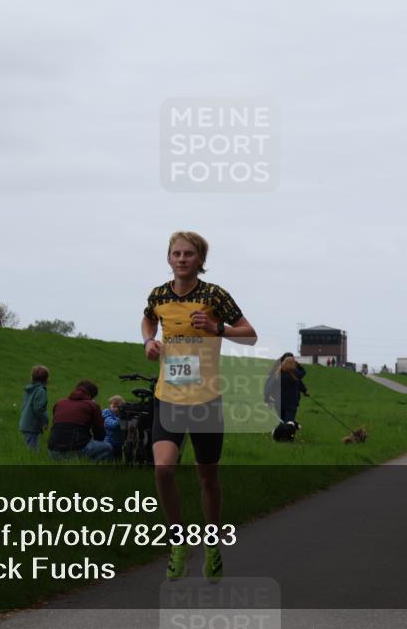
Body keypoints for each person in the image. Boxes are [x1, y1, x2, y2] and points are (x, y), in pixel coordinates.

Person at [141, 231, 257, 582]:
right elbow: (148, 317)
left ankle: (212, 545)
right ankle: (178, 543)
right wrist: (149, 340)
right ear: (169, 258)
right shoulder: (159, 294)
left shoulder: (214, 295)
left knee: (207, 477)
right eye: (176, 253)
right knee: (163, 468)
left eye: (188, 254)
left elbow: (250, 334)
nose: (181, 259)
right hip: (169, 396)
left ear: (200, 260)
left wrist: (217, 327)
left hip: (205, 400)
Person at [46, 380, 112, 461]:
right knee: (107, 448)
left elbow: (55, 424)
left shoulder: (59, 403)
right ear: (92, 396)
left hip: (52, 450)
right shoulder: (92, 405)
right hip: (76, 448)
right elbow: (99, 432)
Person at [19, 365, 50, 451]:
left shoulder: (29, 389)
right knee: (33, 450)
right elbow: (39, 409)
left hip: (26, 422)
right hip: (32, 425)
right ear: (46, 379)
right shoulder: (41, 391)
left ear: (32, 377)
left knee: (31, 448)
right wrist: (45, 420)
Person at [103, 395, 125, 460]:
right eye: (114, 407)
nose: (116, 409)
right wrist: (120, 418)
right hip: (109, 443)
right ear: (110, 406)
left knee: (118, 459)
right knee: (110, 459)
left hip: (119, 443)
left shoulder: (120, 416)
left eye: (118, 407)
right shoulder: (107, 416)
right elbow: (112, 425)